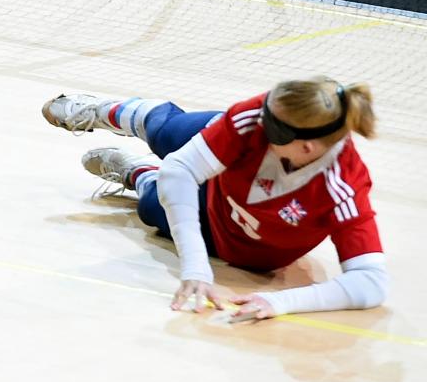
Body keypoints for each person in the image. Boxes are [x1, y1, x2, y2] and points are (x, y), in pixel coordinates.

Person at [40, 77, 387, 320]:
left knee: (151, 206)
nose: (258, 120)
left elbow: (370, 283)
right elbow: (181, 170)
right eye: (265, 108)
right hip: (223, 179)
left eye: (273, 126)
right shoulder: (257, 119)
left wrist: (280, 302)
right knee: (170, 133)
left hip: (231, 240)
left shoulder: (343, 187)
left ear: (307, 147)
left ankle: (140, 173)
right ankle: (107, 112)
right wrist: (194, 267)